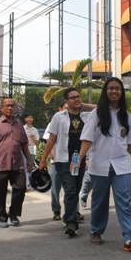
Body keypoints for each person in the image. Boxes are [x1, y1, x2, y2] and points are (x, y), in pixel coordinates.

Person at [79, 77, 131, 253]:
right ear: (105, 91)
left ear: (121, 92)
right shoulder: (96, 114)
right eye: (111, 88)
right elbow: (87, 139)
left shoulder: (127, 116)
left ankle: (130, 237)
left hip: (121, 165)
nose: (114, 91)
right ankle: (96, 230)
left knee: (124, 201)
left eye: (117, 88)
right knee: (99, 201)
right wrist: (79, 158)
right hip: (99, 165)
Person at [39, 88, 91, 237]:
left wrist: (83, 104)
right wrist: (43, 159)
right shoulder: (59, 117)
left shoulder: (87, 116)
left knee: (76, 188)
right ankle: (71, 222)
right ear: (66, 102)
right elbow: (51, 139)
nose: (76, 99)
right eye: (73, 97)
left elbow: (101, 108)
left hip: (78, 159)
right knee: (70, 190)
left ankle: (68, 215)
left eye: (78, 96)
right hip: (63, 159)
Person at [0, 98, 34, 228]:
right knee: (0, 193)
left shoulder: (19, 125)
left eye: (12, 106)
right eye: (7, 106)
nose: (10, 108)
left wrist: (29, 160)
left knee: (21, 188)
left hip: (17, 164)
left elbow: (24, 145)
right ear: (2, 108)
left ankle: (13, 215)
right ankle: (1, 217)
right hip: (0, 164)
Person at [23, 113, 40, 189]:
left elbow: (37, 143)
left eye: (31, 117)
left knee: (30, 167)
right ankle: (26, 184)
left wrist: (33, 138)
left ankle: (28, 183)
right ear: (25, 119)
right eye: (28, 117)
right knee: (24, 167)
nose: (30, 119)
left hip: (32, 150)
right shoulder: (22, 128)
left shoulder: (35, 130)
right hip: (23, 150)